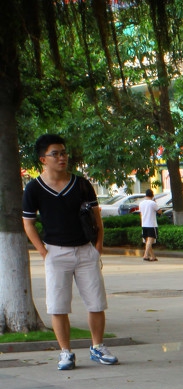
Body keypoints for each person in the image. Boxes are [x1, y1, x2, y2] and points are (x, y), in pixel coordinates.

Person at [21, 133, 119, 371]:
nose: (61, 158)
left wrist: (97, 246)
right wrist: (44, 252)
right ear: (43, 159)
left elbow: (96, 217)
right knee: (58, 306)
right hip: (56, 253)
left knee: (96, 302)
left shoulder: (82, 185)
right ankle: (65, 352)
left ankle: (97, 347)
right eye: (55, 154)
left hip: (85, 251)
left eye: (64, 153)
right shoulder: (33, 189)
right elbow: (28, 223)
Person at [138, 189, 159, 262]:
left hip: (144, 224)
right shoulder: (153, 203)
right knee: (150, 240)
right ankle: (146, 255)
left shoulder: (141, 203)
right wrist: (155, 202)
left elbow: (140, 213)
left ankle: (153, 256)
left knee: (147, 241)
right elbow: (159, 211)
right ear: (152, 195)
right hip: (152, 224)